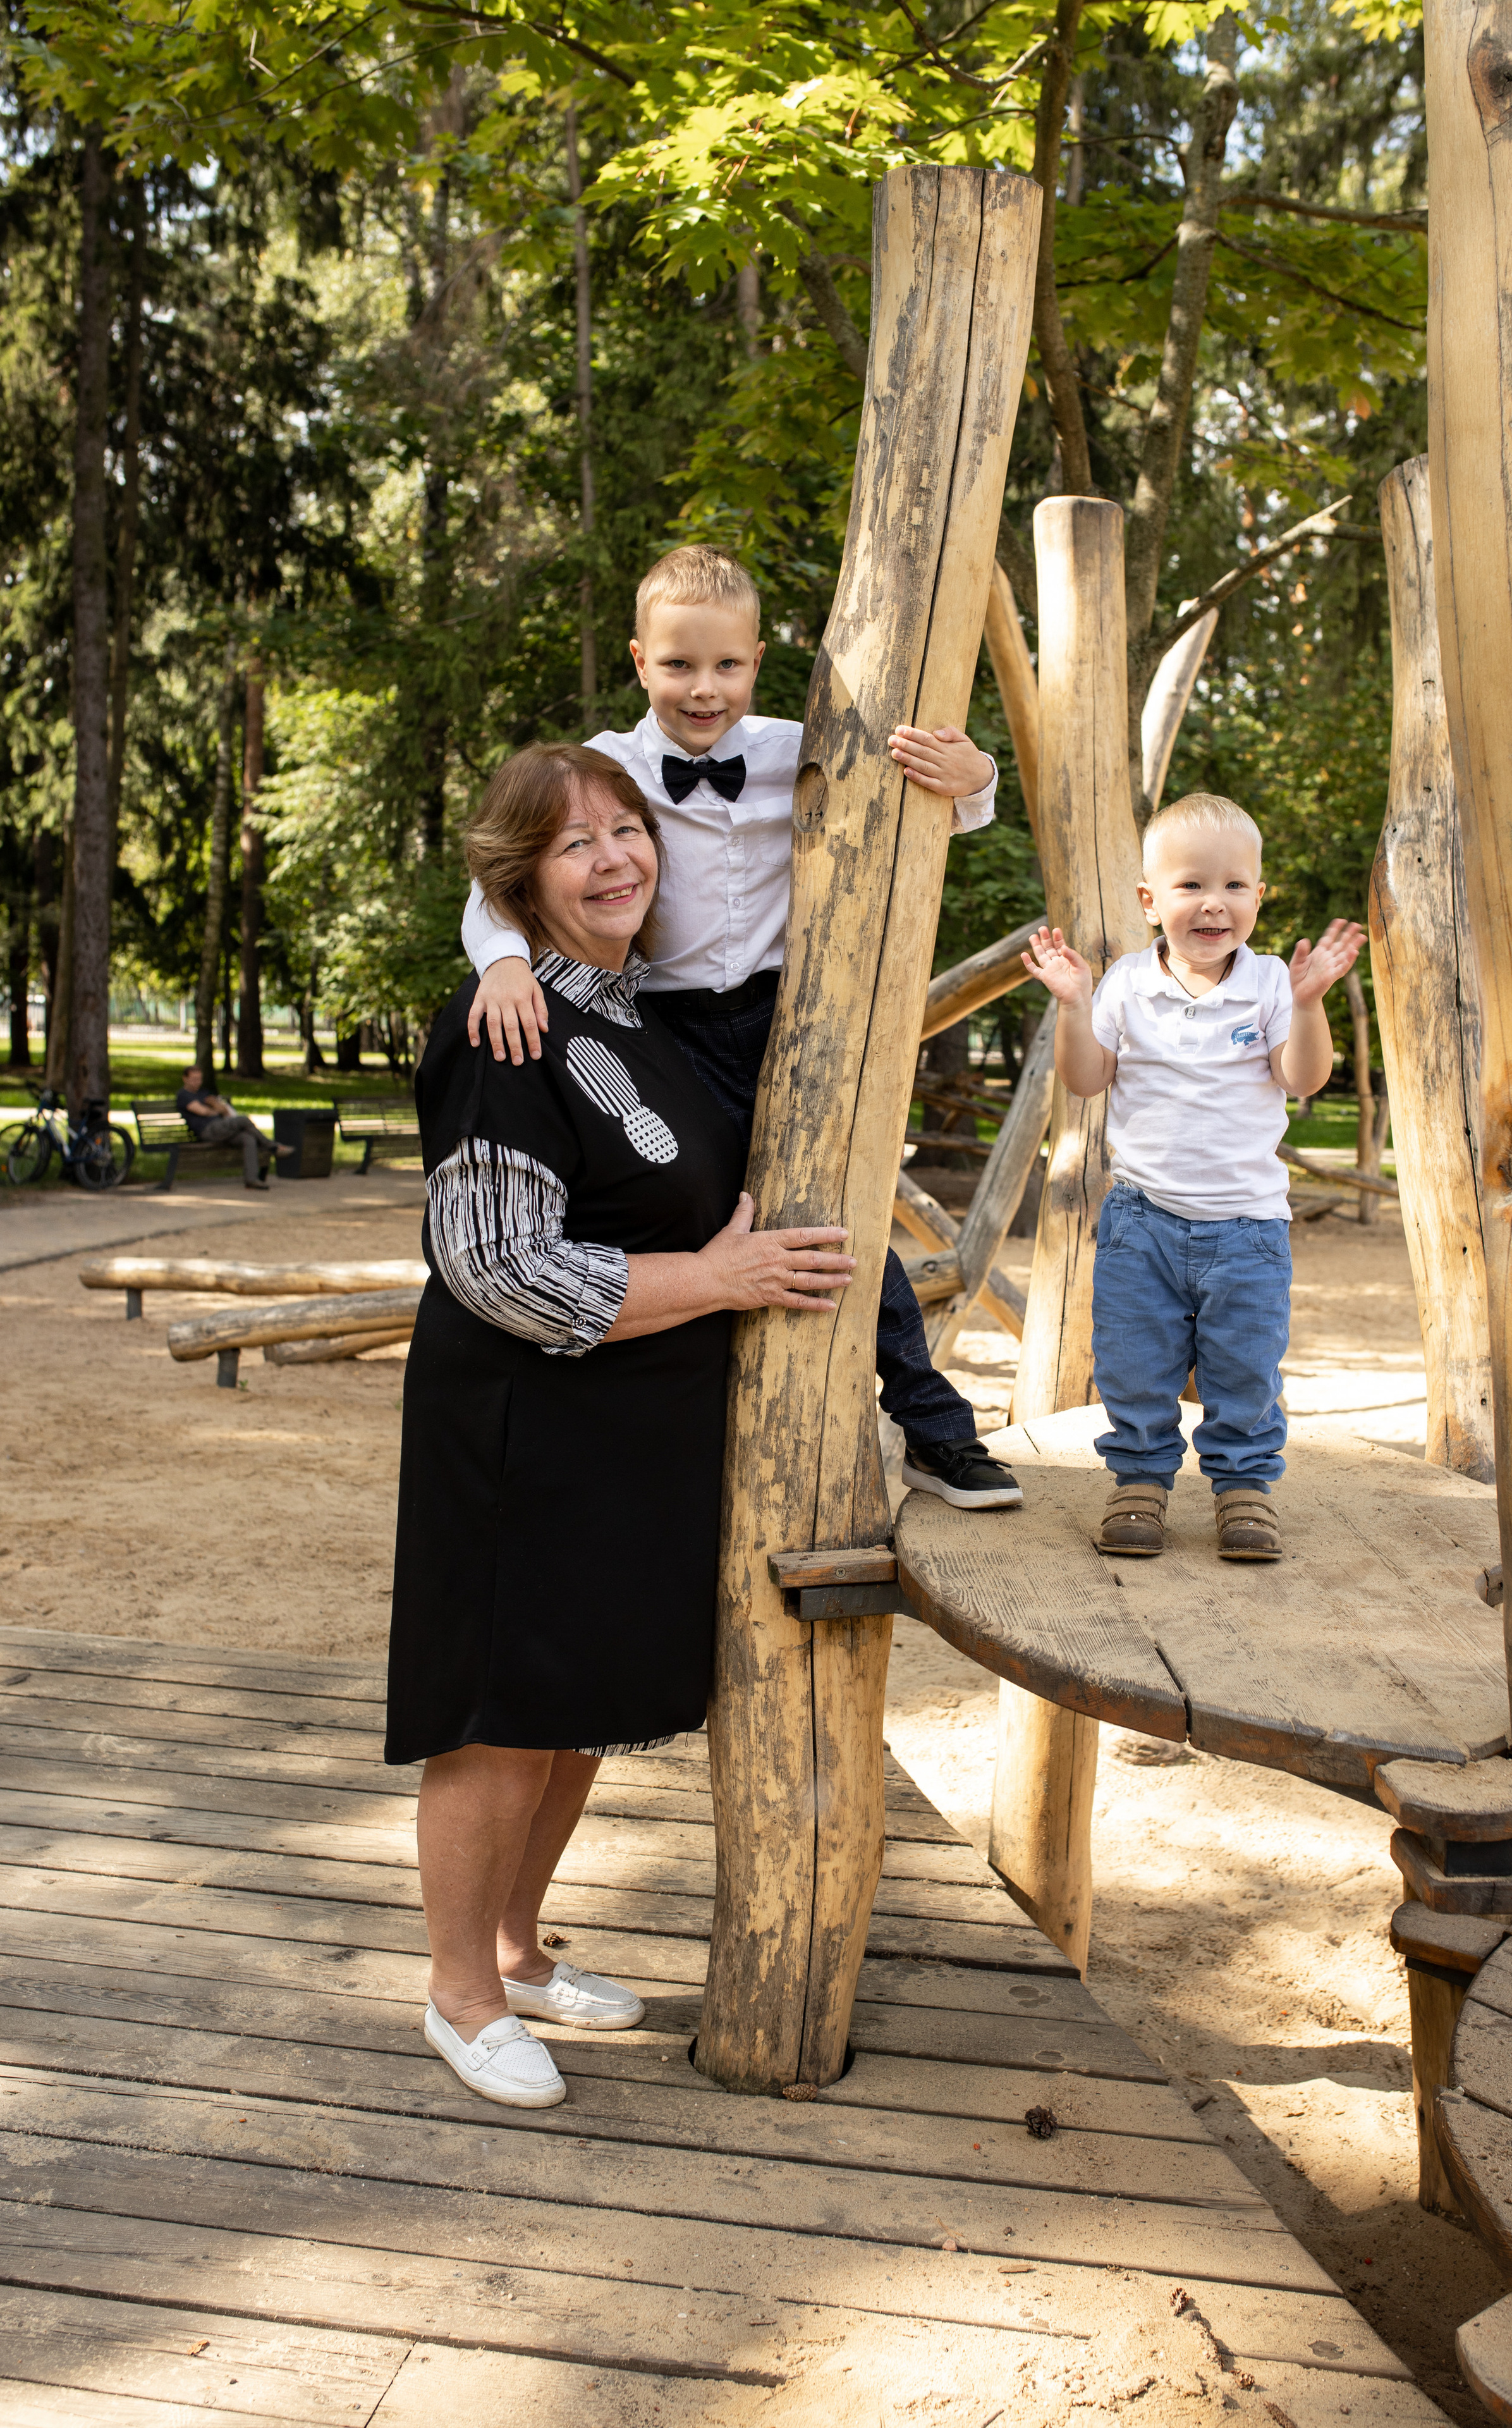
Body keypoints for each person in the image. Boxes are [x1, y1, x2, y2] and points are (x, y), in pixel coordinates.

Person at [389, 740, 857, 2109]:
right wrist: (719, 1279)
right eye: (573, 843)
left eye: (626, 831)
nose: (613, 860)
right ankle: (460, 1998)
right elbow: (497, 1265)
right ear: (519, 879)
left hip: (626, 1438)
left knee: (575, 1707)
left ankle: (516, 1950)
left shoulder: (634, 1014)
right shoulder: (504, 1024)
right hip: (521, 1433)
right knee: (500, 1716)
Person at [460, 543, 1023, 1515]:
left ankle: (932, 1428)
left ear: (758, 660)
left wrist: (975, 774)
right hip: (658, 1031)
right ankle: (704, 1435)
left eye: (727, 664)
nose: (704, 688)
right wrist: (503, 963)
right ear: (640, 662)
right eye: (678, 664)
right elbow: (499, 879)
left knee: (832, 1213)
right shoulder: (602, 769)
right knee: (721, 1220)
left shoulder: (801, 748)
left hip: (789, 1022)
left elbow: (949, 814)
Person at [1021, 790, 1366, 1563]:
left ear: (1257, 896)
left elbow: (1302, 1078)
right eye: (1191, 885)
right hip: (1142, 1221)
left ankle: (1242, 1488)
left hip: (1247, 1228)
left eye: (1233, 885)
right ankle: (1139, 1483)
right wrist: (1074, 1005)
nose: (1214, 902)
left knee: (1244, 1366)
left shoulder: (1272, 981)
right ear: (1150, 901)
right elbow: (1085, 1080)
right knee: (1132, 1362)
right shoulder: (1125, 984)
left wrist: (1309, 1004)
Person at [176, 1068, 281, 1189]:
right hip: (207, 1131)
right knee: (243, 1120)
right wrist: (215, 1109)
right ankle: (272, 1146)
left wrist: (214, 1107)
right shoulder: (184, 1095)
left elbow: (224, 1110)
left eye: (199, 1079)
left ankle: (252, 1180)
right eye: (194, 1079)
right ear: (185, 1079)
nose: (197, 1082)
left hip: (221, 1129)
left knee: (248, 1138)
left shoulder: (204, 1093)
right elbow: (203, 1111)